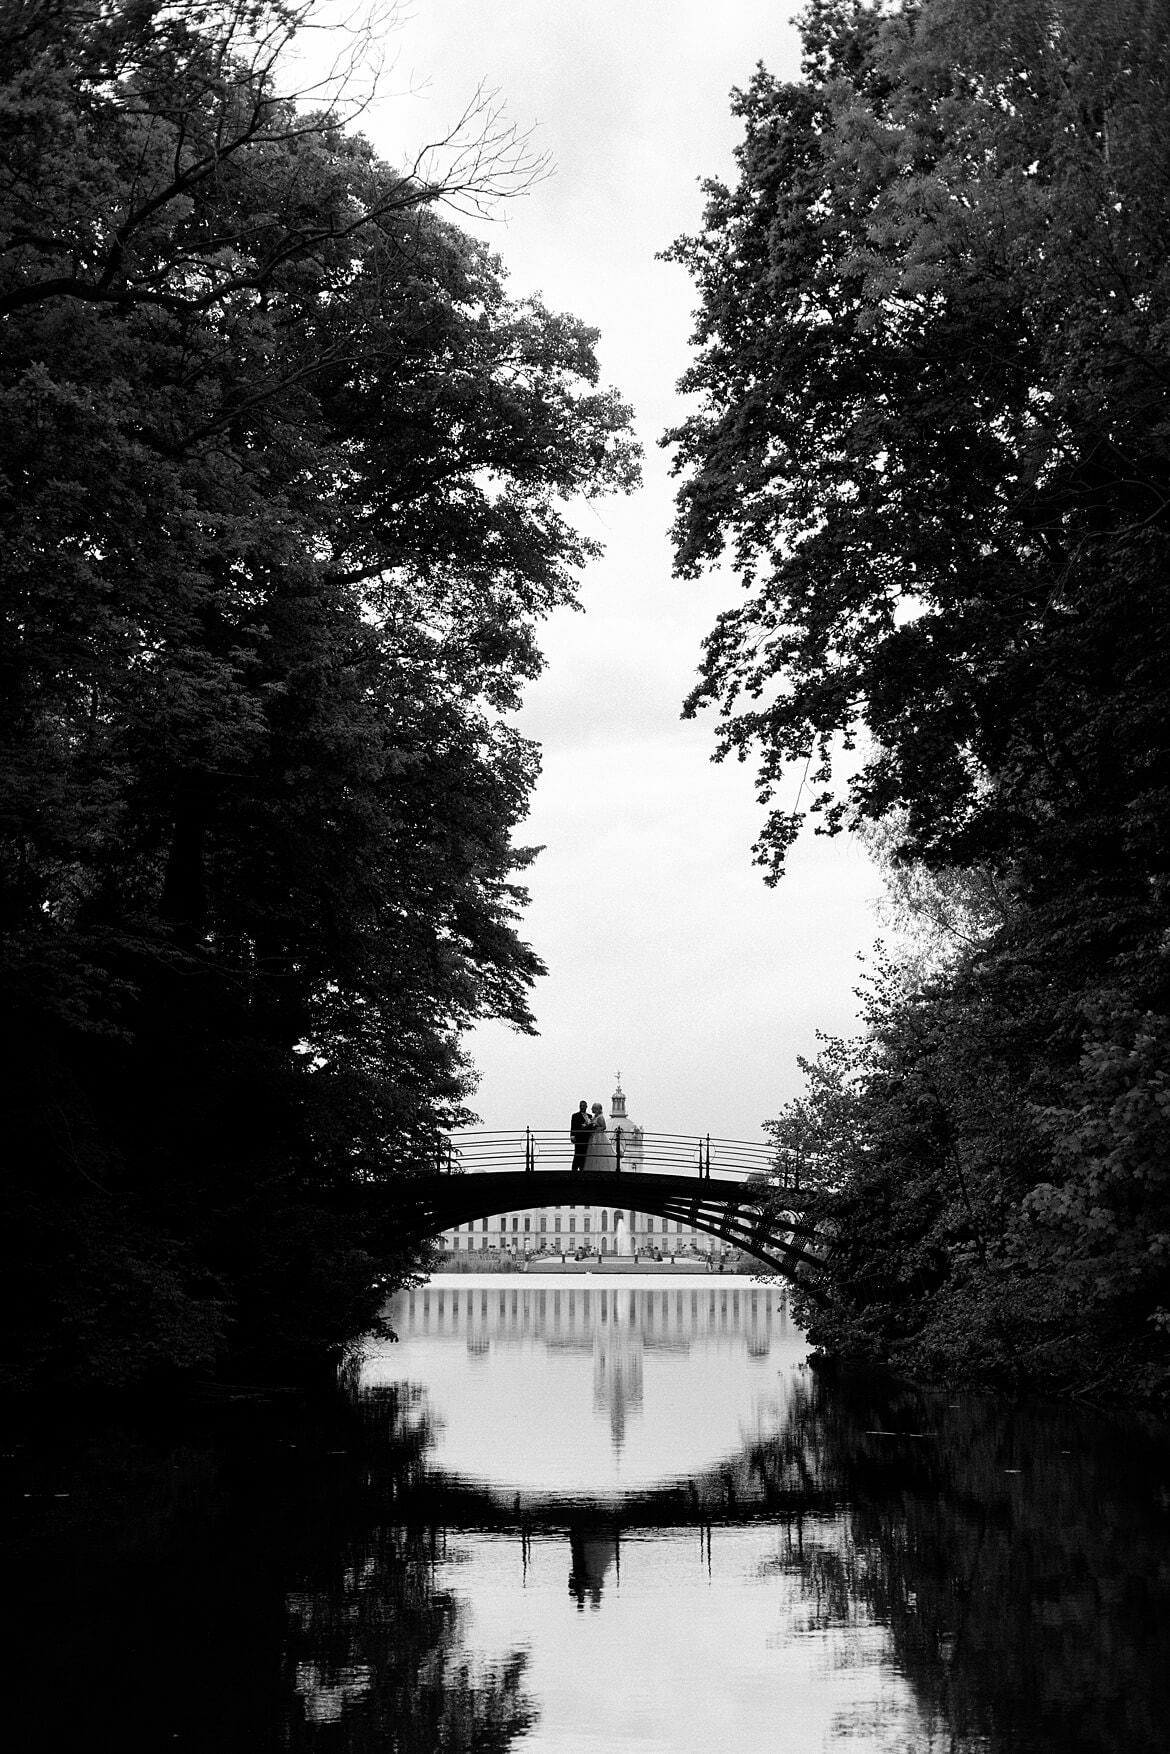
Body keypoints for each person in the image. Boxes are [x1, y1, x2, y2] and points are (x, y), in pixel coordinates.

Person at [584, 1101, 616, 1171]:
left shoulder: (600, 1117)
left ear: (596, 1109)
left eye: (593, 1108)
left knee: (598, 1151)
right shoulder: (595, 1117)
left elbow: (604, 1127)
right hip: (594, 1136)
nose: (591, 1110)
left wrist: (595, 1128)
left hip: (598, 1137)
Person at [570, 1099, 591, 1172]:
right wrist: (572, 1136)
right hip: (578, 1138)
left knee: (584, 1154)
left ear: (586, 1107)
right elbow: (573, 1126)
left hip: (586, 1138)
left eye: (583, 1106)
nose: (582, 1107)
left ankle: (582, 1168)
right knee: (577, 1154)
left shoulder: (589, 1116)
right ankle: (574, 1169)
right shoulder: (575, 1116)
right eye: (581, 1106)